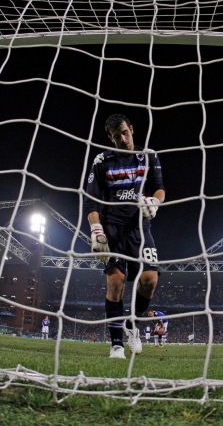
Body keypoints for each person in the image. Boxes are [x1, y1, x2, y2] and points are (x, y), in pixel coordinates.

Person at [84, 114, 166, 359]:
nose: (122, 139)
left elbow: (160, 187)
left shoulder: (148, 156)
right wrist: (96, 230)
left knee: (150, 279)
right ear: (110, 138)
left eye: (124, 132)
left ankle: (133, 325)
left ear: (131, 129)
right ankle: (117, 344)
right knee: (115, 282)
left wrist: (156, 201)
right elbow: (91, 201)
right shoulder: (101, 160)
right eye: (116, 136)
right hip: (112, 229)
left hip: (140, 229)